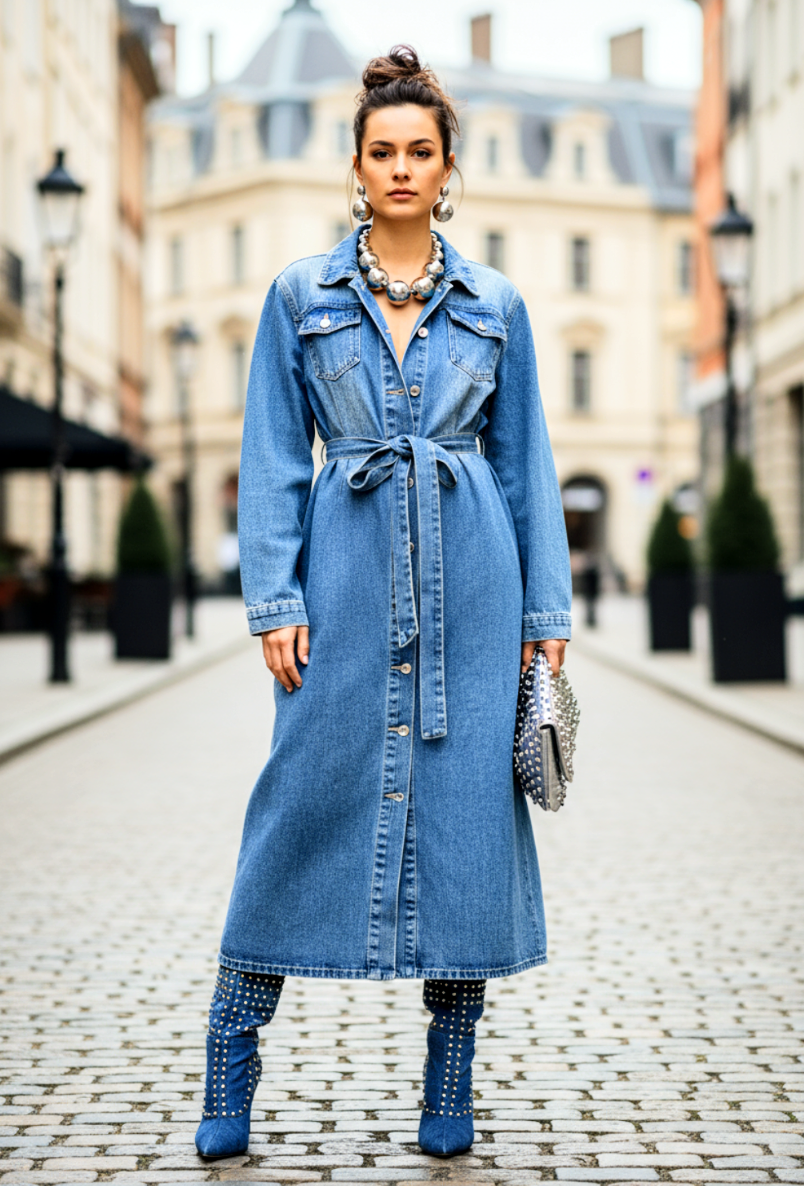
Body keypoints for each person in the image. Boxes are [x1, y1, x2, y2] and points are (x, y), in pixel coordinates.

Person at [195, 45, 571, 1163]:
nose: (401, 168)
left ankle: (448, 1078)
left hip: (476, 590)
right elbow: (270, 456)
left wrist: (542, 624)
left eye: (420, 151)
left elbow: (525, 468)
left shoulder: (495, 303)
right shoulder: (298, 296)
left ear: (447, 167)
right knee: (293, 806)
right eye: (382, 152)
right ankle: (231, 1050)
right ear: (357, 166)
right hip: (344, 582)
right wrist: (274, 597)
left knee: (464, 830)